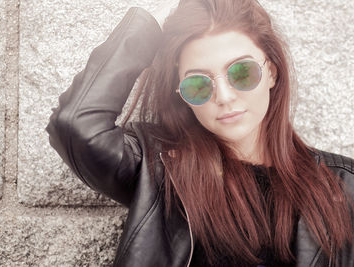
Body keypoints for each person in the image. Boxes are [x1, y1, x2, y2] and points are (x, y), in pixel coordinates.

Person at [46, 0, 354, 266]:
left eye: (241, 73)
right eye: (198, 84)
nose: (224, 96)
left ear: (271, 71)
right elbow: (76, 125)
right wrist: (153, 22)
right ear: (180, 93)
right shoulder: (159, 171)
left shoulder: (345, 187)